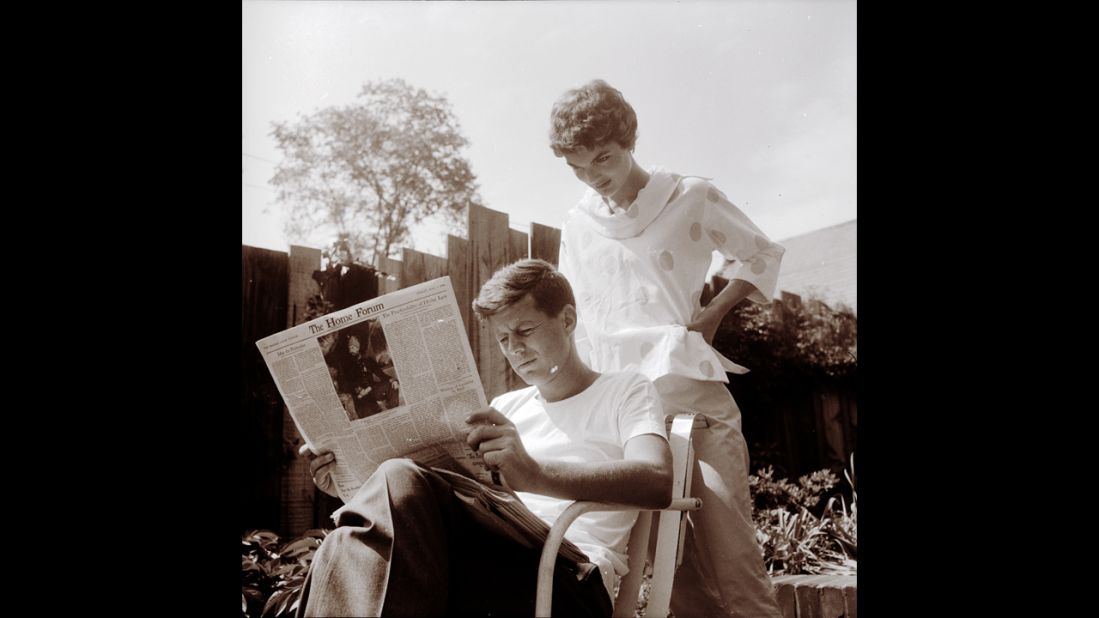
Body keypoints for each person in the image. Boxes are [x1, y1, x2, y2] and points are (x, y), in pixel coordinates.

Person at [296, 259, 673, 617]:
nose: (515, 349)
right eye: (504, 339)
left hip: (566, 574)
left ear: (568, 319)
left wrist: (536, 476)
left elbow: (658, 481)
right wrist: (350, 482)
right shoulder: (506, 406)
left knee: (396, 480)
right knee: (345, 541)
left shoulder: (625, 390)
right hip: (487, 562)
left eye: (524, 331)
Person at [550, 79, 785, 618]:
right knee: (668, 575)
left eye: (603, 158)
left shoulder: (689, 195)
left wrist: (709, 316)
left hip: (691, 395)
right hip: (626, 412)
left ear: (629, 138)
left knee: (733, 560)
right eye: (578, 167)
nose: (593, 176)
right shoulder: (578, 223)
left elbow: (760, 254)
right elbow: (575, 319)